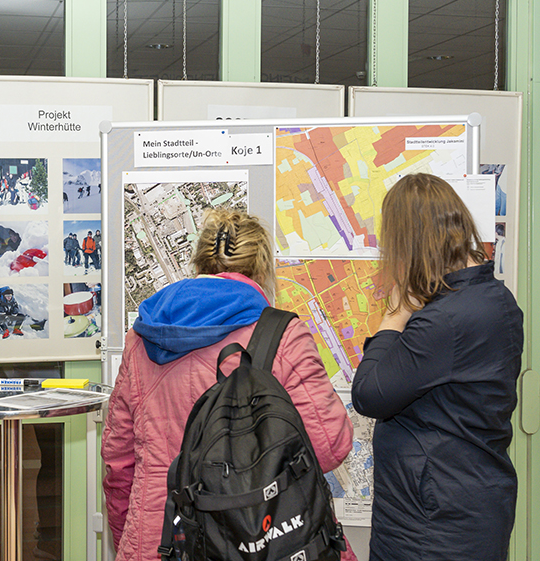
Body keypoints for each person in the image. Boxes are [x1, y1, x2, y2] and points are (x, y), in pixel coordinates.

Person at [102, 208, 355, 561]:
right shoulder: (281, 335)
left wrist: (128, 538)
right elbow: (329, 447)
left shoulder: (141, 337)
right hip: (257, 538)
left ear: (199, 262)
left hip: (161, 540)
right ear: (262, 267)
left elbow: (118, 464)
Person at [351, 173, 524, 561]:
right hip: (471, 502)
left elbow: (369, 393)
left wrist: (395, 315)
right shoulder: (497, 300)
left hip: (432, 524)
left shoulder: (445, 321)